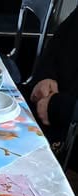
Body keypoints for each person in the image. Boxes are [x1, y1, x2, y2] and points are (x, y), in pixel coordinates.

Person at [30, 7, 78, 149]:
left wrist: (59, 107)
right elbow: (57, 45)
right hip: (45, 108)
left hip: (65, 121)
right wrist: (45, 77)